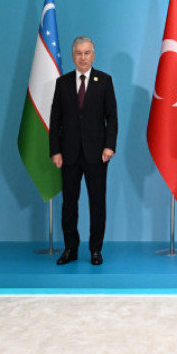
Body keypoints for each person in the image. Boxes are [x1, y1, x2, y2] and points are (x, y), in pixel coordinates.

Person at [50, 36, 118, 266]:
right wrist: (55, 150)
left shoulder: (104, 81)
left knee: (97, 203)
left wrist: (109, 146)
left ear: (93, 55)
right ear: (73, 56)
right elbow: (55, 119)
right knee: (69, 203)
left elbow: (112, 117)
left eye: (87, 53)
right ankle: (70, 249)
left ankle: (96, 249)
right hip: (68, 153)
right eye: (78, 53)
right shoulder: (62, 83)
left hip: (97, 154)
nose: (82, 57)